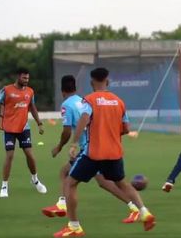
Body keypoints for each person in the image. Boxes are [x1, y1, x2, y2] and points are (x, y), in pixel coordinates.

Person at [54, 68, 155, 237]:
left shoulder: (90, 100)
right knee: (122, 183)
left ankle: (74, 227)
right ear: (107, 81)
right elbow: (126, 129)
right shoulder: (119, 101)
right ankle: (144, 212)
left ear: (92, 82)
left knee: (69, 183)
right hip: (114, 153)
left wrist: (73, 144)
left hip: (94, 153)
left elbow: (84, 119)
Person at [41, 75, 140, 224]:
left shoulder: (67, 105)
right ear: (75, 88)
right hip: (97, 144)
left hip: (89, 148)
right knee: (102, 181)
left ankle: (65, 209)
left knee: (68, 175)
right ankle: (134, 207)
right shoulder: (82, 101)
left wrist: (59, 147)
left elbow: (67, 131)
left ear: (62, 91)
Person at [0, 67, 47, 198]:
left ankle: (35, 180)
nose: (26, 80)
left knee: (30, 155)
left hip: (24, 128)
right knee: (9, 156)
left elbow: (32, 107)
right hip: (9, 128)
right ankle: (4, 186)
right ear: (18, 77)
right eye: (24, 78)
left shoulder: (30, 92)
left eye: (28, 78)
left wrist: (39, 123)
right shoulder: (6, 90)